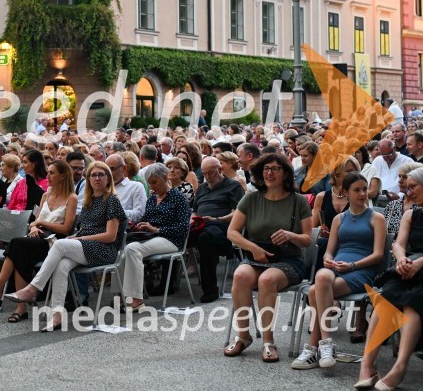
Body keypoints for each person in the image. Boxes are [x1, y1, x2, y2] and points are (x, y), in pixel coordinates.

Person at [5, 161, 126, 331]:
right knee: (61, 265)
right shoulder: (89, 201)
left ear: (108, 179)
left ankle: (33, 287)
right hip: (86, 247)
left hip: (104, 250)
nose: (97, 178)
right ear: (89, 179)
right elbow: (84, 230)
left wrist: (79, 239)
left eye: (101, 175)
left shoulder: (112, 200)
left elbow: (110, 236)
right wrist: (76, 236)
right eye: (93, 175)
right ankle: (57, 316)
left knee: (60, 244)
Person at [292, 173, 386, 370]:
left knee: (315, 291)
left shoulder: (377, 218)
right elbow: (328, 252)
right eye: (357, 190)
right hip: (337, 268)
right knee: (322, 275)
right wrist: (329, 262)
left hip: (363, 270)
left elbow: (378, 255)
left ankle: (313, 347)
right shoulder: (339, 219)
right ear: (346, 193)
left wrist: (352, 266)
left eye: (364, 189)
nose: (362, 194)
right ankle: (326, 344)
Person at [225, 153, 312, 362]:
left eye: (275, 169)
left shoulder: (298, 201)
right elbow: (232, 232)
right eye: (266, 169)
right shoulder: (251, 198)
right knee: (240, 275)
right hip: (257, 258)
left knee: (267, 280)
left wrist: (291, 235)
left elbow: (308, 239)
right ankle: (243, 335)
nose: (269, 173)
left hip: (288, 260)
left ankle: (268, 340)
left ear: (286, 173)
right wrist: (253, 248)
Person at [0, 159, 77, 322]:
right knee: (19, 251)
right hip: (35, 238)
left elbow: (66, 229)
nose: (48, 176)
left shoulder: (72, 198)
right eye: (48, 172)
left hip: (55, 242)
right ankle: (19, 307)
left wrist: (40, 224)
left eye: (52, 173)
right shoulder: (46, 194)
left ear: (63, 176)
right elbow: (35, 221)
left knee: (17, 246)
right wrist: (34, 227)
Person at [356, 168, 423, 390]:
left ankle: (400, 367)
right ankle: (367, 366)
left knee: (411, 304)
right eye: (409, 187)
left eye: (413, 186)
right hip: (407, 266)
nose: (409, 191)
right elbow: (398, 243)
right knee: (385, 301)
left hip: (419, 267)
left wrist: (419, 263)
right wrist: (403, 259)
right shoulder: (411, 214)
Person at [121, 163, 192, 311]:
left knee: (132, 249)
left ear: (165, 178)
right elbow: (146, 218)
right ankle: (123, 295)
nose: (151, 187)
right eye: (149, 183)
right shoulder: (153, 198)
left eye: (154, 182)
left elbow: (183, 227)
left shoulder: (178, 197)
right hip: (153, 237)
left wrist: (157, 229)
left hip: (171, 239)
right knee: (124, 250)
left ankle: (136, 299)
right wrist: (139, 225)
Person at [191, 157, 245, 303]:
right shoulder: (202, 188)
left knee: (205, 238)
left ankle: (210, 290)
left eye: (211, 173)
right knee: (177, 234)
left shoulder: (233, 186)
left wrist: (218, 219)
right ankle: (165, 283)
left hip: (222, 225)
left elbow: (237, 213)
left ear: (220, 170)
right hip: (200, 224)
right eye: (205, 173)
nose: (208, 177)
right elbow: (195, 210)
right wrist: (193, 218)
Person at [106, 153, 146, 224]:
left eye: (112, 169)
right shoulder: (103, 188)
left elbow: (139, 214)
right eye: (106, 170)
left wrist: (115, 212)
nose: (109, 174)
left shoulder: (136, 187)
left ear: (124, 168)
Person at [385, 162, 423, 234]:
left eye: (405, 177)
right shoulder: (392, 205)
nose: (400, 181)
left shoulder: (420, 206)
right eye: (399, 176)